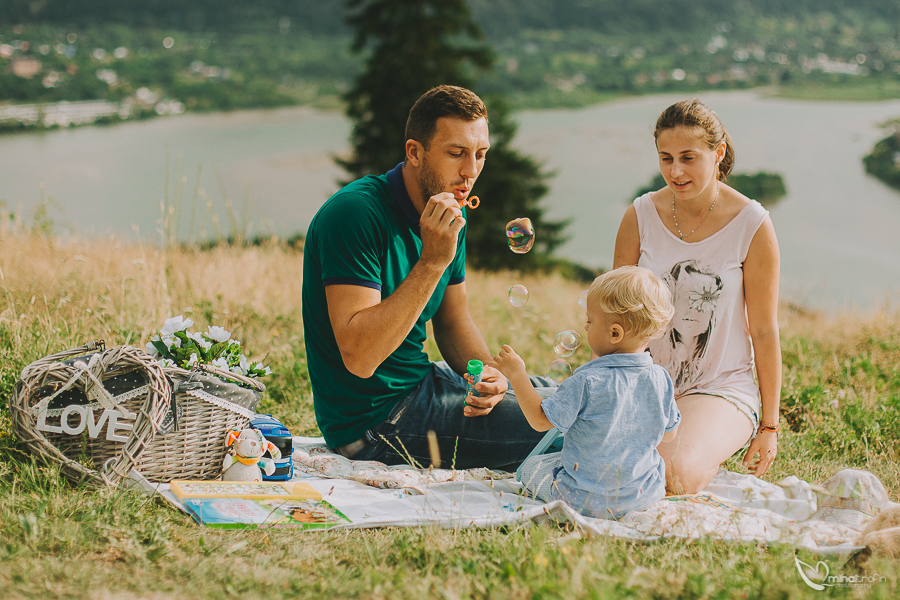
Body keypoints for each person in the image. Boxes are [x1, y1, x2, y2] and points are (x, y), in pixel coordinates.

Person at [301, 85, 553, 470]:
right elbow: (360, 357)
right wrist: (432, 261)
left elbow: (452, 322)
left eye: (480, 154)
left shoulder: (453, 211)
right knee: (571, 429)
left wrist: (488, 375)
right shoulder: (355, 214)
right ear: (415, 152)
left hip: (423, 385)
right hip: (376, 424)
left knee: (565, 399)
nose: (470, 171)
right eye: (456, 153)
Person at [613, 98, 782, 494]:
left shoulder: (753, 224)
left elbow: (764, 329)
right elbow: (614, 315)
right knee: (616, 470)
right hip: (646, 384)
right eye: (666, 158)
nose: (675, 171)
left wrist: (769, 426)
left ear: (717, 152)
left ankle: (701, 451)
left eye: (688, 157)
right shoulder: (638, 216)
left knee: (673, 475)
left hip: (720, 388)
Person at [494, 266, 680, 519]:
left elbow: (539, 420)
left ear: (615, 333)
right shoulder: (661, 379)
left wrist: (517, 374)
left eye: (590, 321)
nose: (585, 325)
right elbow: (669, 435)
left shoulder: (587, 380)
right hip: (641, 497)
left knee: (532, 467)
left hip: (579, 501)